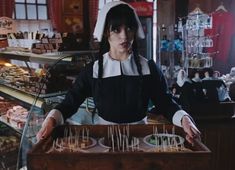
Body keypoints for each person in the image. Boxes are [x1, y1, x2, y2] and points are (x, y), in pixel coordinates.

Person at [37, 1, 200, 144]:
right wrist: (52, 119)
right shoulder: (93, 70)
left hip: (141, 140)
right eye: (116, 29)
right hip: (103, 140)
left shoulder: (148, 68)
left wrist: (184, 119)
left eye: (129, 28)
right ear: (106, 32)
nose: (124, 36)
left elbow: (165, 101)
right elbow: (70, 102)